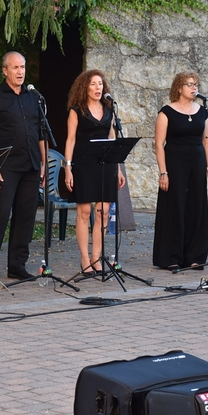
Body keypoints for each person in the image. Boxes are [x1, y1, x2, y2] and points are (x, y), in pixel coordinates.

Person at [0, 51, 46, 283]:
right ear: (5, 71)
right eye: (15, 67)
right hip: (4, 166)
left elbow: (41, 132)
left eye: (22, 67)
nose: (20, 71)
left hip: (31, 165)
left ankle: (17, 266)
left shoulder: (33, 97)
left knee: (26, 216)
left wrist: (43, 163)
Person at [64, 70, 127, 275]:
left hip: (105, 164)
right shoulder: (77, 110)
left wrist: (118, 168)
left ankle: (96, 257)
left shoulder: (109, 110)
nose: (98, 87)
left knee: (103, 212)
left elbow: (112, 137)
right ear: (85, 87)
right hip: (84, 164)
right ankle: (84, 258)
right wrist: (68, 168)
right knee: (84, 212)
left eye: (100, 83)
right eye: (93, 84)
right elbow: (70, 140)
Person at [152, 72, 208, 270]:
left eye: (196, 84)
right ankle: (171, 256)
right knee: (174, 207)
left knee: (196, 207)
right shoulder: (166, 112)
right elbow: (159, 144)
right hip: (175, 163)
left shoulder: (202, 112)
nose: (194, 88)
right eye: (190, 84)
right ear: (179, 88)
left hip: (197, 163)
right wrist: (163, 172)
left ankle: (195, 256)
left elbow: (207, 142)